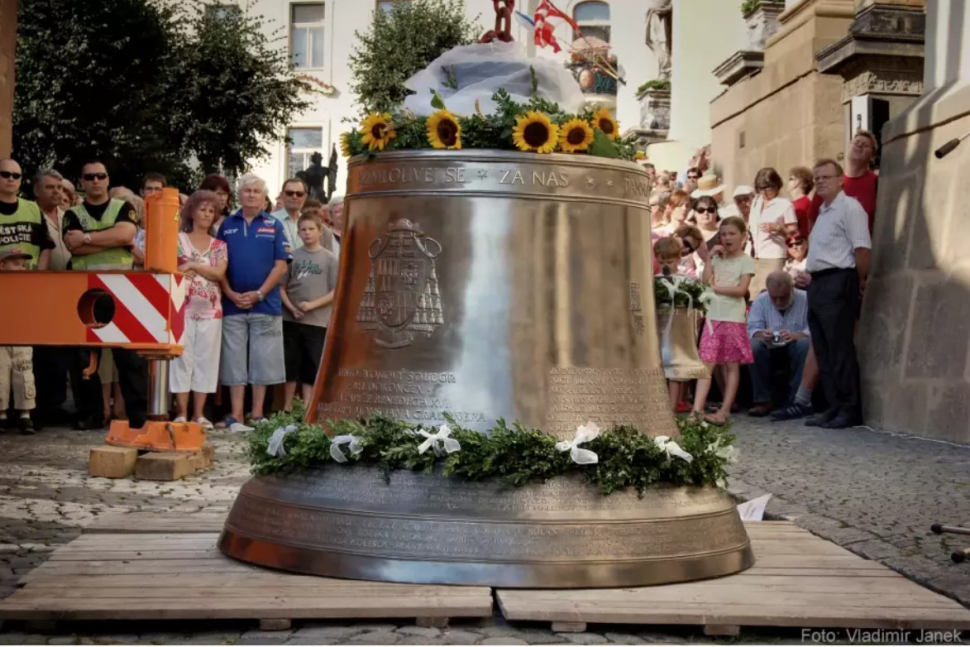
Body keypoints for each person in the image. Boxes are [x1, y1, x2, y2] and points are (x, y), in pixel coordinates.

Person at [62, 160, 148, 431]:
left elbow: (126, 235)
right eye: (89, 177)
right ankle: (91, 414)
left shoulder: (123, 207)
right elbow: (72, 248)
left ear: (108, 179)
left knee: (129, 357)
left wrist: (87, 239)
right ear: (82, 181)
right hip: (85, 291)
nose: (95, 181)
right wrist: (108, 239)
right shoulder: (72, 213)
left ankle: (138, 417)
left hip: (121, 290)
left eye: (100, 176)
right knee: (85, 358)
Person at [217, 173, 291, 431]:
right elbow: (218, 266)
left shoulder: (274, 224)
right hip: (232, 303)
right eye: (247, 190)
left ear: (264, 196)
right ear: (239, 194)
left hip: (265, 304)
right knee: (233, 359)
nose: (251, 195)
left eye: (256, 191)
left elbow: (281, 266)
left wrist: (259, 293)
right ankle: (236, 414)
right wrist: (229, 292)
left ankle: (257, 413)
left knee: (263, 359)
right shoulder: (226, 225)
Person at [804, 158, 871, 429]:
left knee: (839, 347)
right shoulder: (822, 211)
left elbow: (862, 248)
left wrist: (860, 280)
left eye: (826, 177)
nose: (820, 181)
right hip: (818, 283)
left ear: (840, 179)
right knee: (823, 348)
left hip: (839, 280)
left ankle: (850, 408)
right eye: (817, 177)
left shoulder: (850, 208)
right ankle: (834, 405)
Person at [170, 191, 228, 429]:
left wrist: (193, 264)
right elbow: (173, 268)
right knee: (182, 359)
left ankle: (199, 414)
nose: (207, 213)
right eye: (202, 208)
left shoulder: (219, 245)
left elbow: (218, 273)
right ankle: (181, 412)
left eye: (211, 210)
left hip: (211, 311)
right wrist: (197, 267)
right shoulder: (177, 239)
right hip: (180, 308)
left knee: (206, 361)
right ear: (192, 211)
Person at [692, 216, 755, 426]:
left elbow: (741, 290)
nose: (727, 238)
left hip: (733, 318)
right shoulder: (718, 258)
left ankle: (725, 409)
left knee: (731, 365)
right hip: (713, 317)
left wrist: (716, 289)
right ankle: (697, 410)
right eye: (724, 234)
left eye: (732, 234)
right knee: (706, 364)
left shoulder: (746, 261)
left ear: (742, 236)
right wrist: (709, 258)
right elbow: (704, 281)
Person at [281, 212, 338, 411]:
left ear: (320, 231)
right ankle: (287, 406)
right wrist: (291, 308)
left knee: (311, 365)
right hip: (292, 319)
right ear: (298, 232)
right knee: (290, 365)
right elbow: (282, 287)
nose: (307, 233)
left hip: (317, 321)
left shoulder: (330, 259)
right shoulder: (293, 256)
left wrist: (312, 305)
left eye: (311, 229)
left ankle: (308, 407)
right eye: (303, 230)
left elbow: (335, 291)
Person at [746, 272, 811, 416]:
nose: (778, 302)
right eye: (773, 298)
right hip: (769, 345)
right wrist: (762, 334)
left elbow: (814, 328)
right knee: (754, 346)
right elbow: (752, 328)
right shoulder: (761, 300)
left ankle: (796, 400)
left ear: (791, 289)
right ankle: (762, 400)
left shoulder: (806, 299)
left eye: (783, 297)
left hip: (796, 343)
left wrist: (797, 335)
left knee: (805, 345)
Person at [0, 248, 37, 434]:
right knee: (1, 376)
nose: (21, 269)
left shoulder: (27, 286)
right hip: (1, 338)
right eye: (16, 264)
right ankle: (2, 415)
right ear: (2, 265)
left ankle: (25, 414)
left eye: (23, 265)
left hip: (22, 335)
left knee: (24, 374)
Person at [749, 168, 798, 295]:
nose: (764, 192)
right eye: (760, 189)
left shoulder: (785, 205)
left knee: (769, 294)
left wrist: (778, 228)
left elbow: (794, 234)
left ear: (776, 186)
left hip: (773, 257)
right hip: (754, 257)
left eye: (767, 188)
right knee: (753, 296)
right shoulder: (756, 201)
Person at [0, 159, 53, 270]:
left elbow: (46, 247)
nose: (11, 179)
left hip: (30, 281)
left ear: (20, 180)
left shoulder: (34, 208)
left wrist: (39, 276)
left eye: (16, 176)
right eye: (5, 174)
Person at [272, 178, 308, 252]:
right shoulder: (271, 220)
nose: (294, 197)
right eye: (289, 193)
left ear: (305, 197)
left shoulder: (309, 221)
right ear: (282, 195)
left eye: (299, 194)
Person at [788, 166, 814, 239]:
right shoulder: (798, 203)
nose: (788, 182)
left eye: (791, 179)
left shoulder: (803, 204)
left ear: (797, 183)